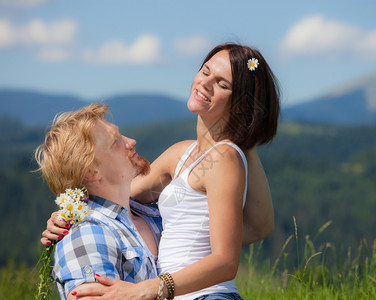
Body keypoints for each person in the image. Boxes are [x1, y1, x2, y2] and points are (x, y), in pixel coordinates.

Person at [43, 43, 280, 299]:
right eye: (205, 71)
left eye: (223, 84)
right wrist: (70, 212)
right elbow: (117, 194)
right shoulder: (182, 154)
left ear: (240, 103)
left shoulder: (224, 157)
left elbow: (227, 260)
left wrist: (148, 289)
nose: (205, 83)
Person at [35, 103, 163, 300]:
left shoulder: (152, 211)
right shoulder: (87, 234)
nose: (130, 142)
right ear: (91, 172)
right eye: (116, 142)